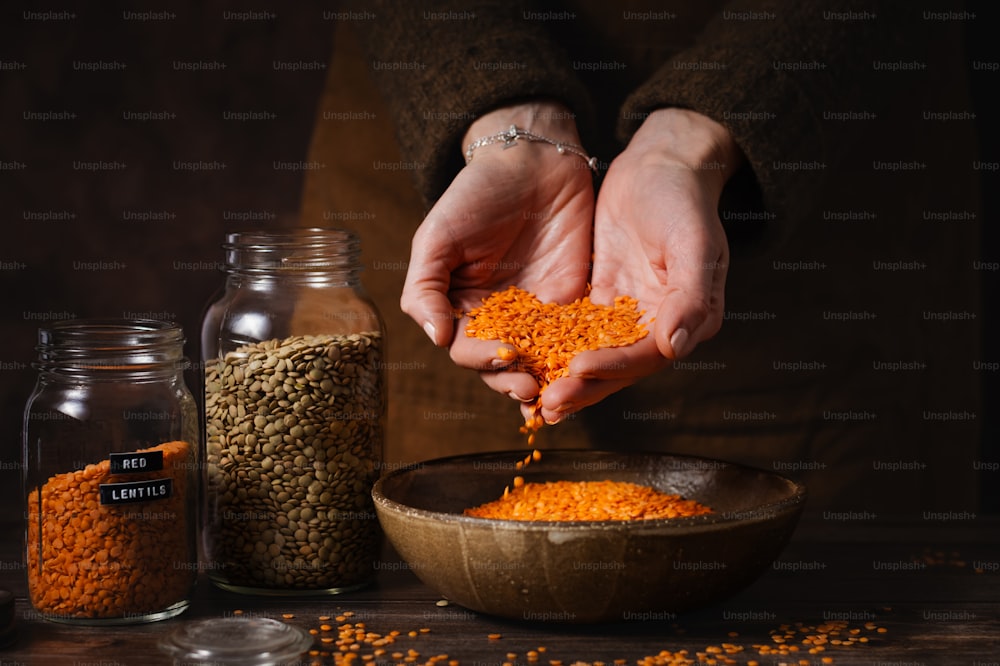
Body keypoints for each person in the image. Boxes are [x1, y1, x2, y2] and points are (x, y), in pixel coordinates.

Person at [299, 1, 983, 515]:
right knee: (432, 540)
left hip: (818, 218)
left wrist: (699, 136)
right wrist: (503, 118)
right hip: (446, 181)